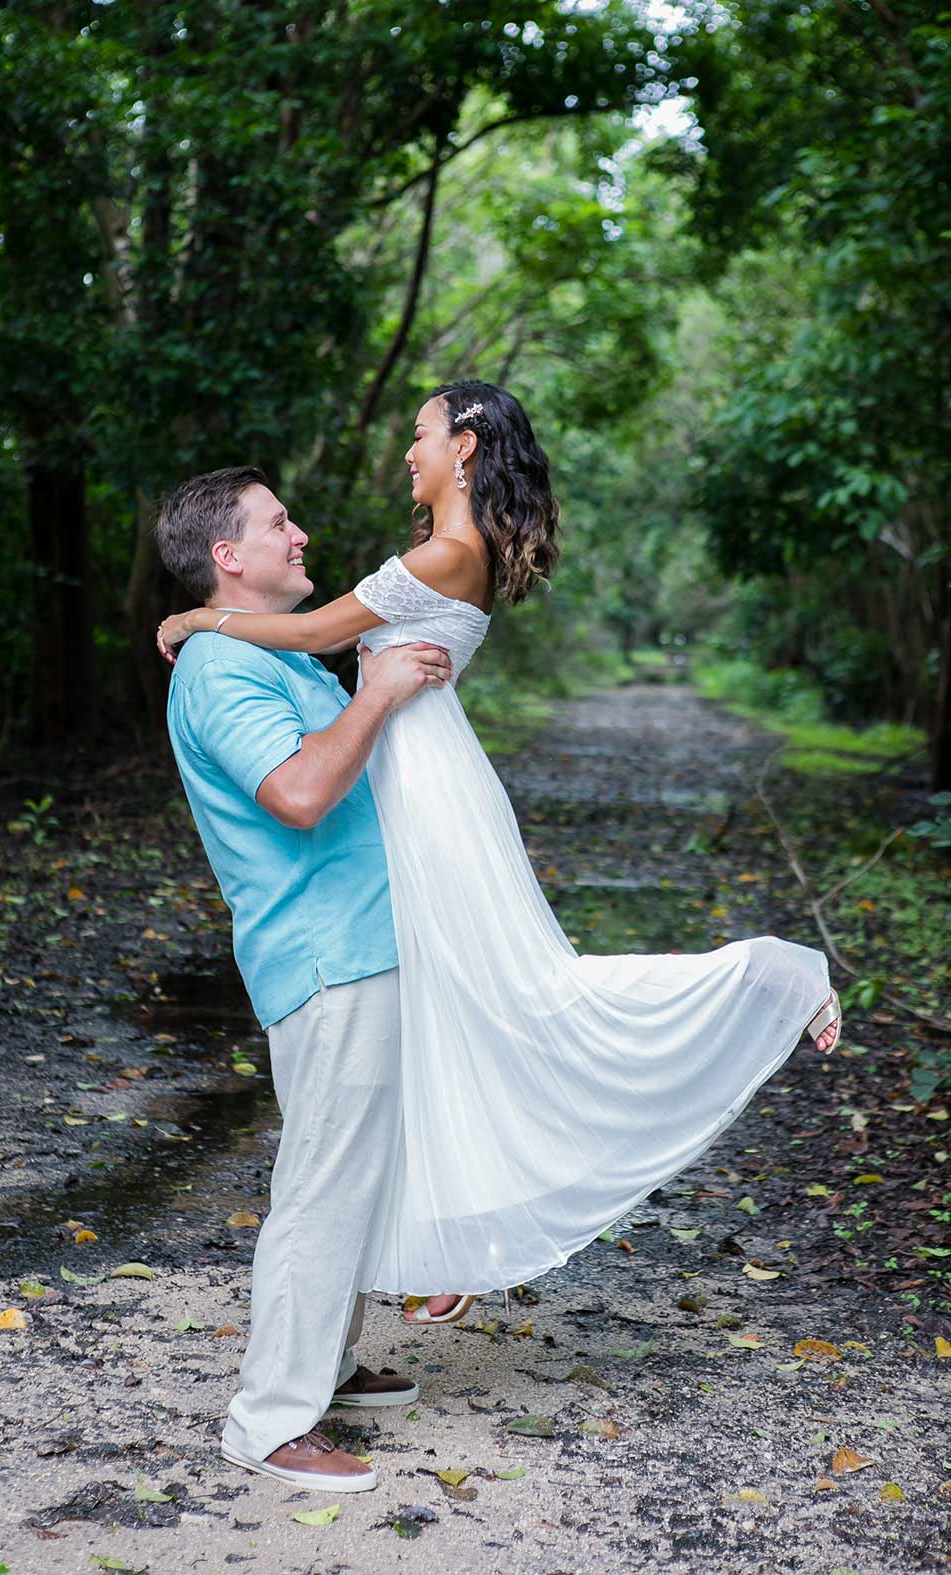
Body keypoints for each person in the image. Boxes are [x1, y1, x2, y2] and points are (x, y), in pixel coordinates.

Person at [158, 379, 842, 1339]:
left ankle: (766, 975)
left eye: (421, 434)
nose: (409, 452)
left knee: (514, 990)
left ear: (467, 447)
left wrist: (196, 621)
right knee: (453, 1011)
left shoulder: (447, 549)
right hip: (405, 771)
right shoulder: (451, 547)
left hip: (425, 784)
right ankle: (453, 1236)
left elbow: (315, 635)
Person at [155, 464, 454, 1494]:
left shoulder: (262, 656)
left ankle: (323, 1367)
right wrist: (374, 693)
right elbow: (296, 793)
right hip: (324, 956)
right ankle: (269, 1421)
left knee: (356, 1179)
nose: (302, 533)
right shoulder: (219, 675)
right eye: (278, 523)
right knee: (323, 1186)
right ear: (228, 556)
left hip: (368, 943)